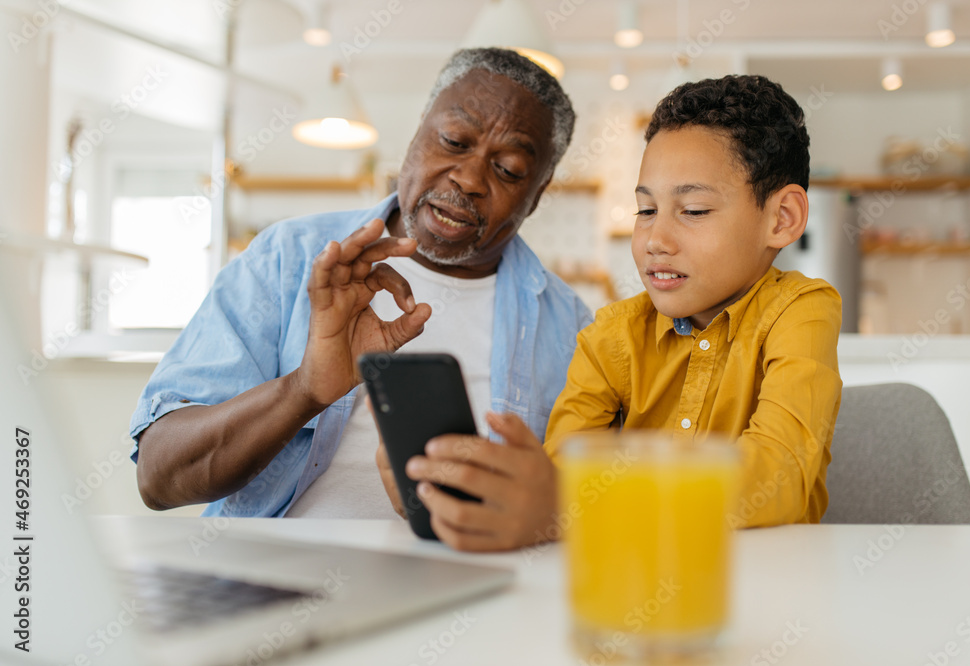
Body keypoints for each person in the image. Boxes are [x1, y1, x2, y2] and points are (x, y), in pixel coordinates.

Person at [129, 48, 592, 526]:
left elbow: (595, 511)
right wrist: (304, 390)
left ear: (538, 192)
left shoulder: (574, 330)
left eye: (509, 169)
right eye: (454, 141)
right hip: (274, 572)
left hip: (466, 574)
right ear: (417, 133)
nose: (469, 178)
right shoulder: (286, 258)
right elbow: (159, 477)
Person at [403, 74, 842, 550]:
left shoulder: (801, 310)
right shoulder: (610, 336)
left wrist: (578, 501)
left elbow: (779, 476)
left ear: (782, 218)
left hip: (770, 578)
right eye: (646, 210)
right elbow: (561, 474)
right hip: (630, 571)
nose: (655, 240)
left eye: (694, 210)